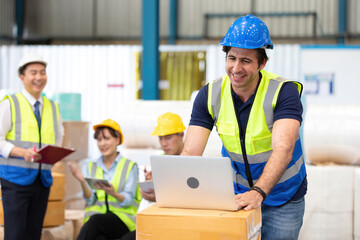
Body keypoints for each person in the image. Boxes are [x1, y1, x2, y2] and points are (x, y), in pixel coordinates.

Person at [181, 15, 307, 240]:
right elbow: (190, 152)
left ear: (262, 63)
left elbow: (284, 148)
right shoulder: (209, 95)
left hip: (283, 196)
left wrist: (259, 192)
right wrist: (170, 186)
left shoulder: (283, 92)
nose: (236, 68)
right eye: (231, 58)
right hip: (237, 196)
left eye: (246, 61)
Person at [0, 53, 64, 240]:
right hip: (15, 181)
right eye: (33, 72)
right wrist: (21, 152)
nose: (39, 77)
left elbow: (59, 137)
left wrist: (55, 154)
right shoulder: (9, 104)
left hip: (42, 180)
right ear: (22, 77)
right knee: (15, 235)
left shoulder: (53, 107)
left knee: (33, 235)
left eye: (42, 72)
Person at [69, 119, 141, 240]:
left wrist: (113, 193)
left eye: (106, 139)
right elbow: (90, 199)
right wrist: (82, 181)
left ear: (117, 140)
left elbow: (128, 200)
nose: (102, 144)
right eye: (99, 140)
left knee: (95, 221)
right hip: (100, 222)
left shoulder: (129, 166)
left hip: (122, 221)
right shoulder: (91, 166)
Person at [120, 112, 186, 240]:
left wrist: (160, 196)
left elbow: (191, 198)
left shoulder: (194, 160)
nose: (163, 143)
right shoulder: (158, 161)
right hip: (157, 220)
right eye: (160, 138)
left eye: (168, 137)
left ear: (181, 135)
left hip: (179, 224)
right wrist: (148, 183)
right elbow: (145, 200)